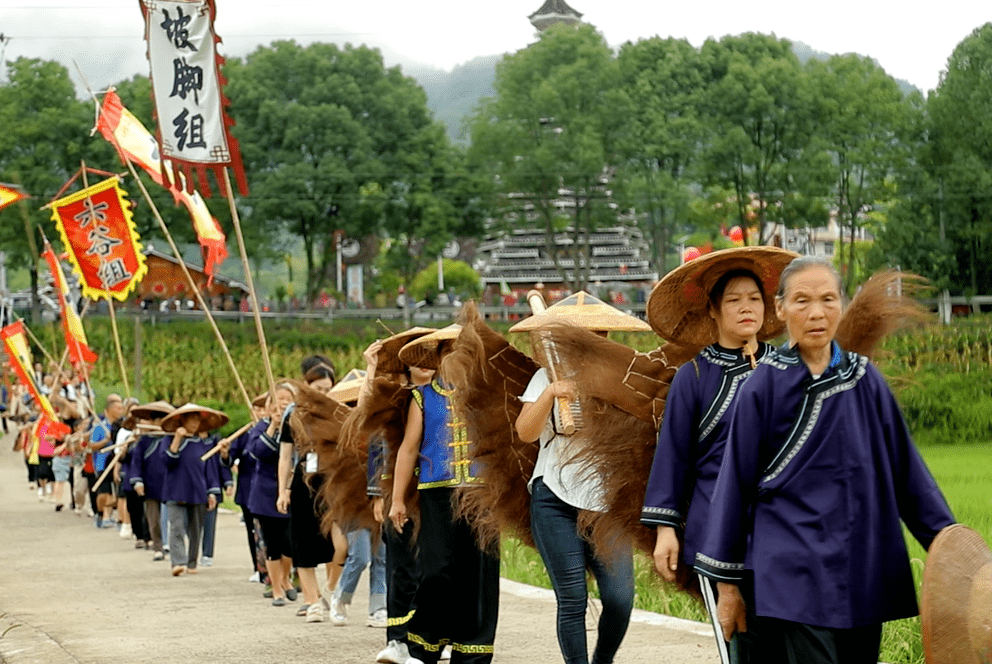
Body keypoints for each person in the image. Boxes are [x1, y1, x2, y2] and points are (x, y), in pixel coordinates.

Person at [695, 256, 956, 664]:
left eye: (828, 299)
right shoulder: (762, 386)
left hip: (862, 562)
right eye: (802, 301)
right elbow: (734, 486)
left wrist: (952, 552)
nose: (816, 313)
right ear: (781, 309)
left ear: (842, 305)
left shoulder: (865, 380)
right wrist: (727, 587)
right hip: (793, 566)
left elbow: (909, 476)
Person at [640, 247, 796, 662]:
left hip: (786, 532)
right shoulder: (694, 376)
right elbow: (673, 456)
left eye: (754, 298)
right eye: (734, 300)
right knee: (743, 651)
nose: (746, 307)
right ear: (713, 310)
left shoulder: (789, 368)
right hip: (720, 536)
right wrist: (665, 530)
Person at [512, 293, 646, 664]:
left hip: (608, 503)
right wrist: (552, 393)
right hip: (554, 495)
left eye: (600, 334)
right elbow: (525, 432)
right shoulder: (547, 376)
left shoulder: (623, 378)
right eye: (586, 334)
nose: (595, 340)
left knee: (620, 598)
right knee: (572, 598)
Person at [390, 325, 500, 664]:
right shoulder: (423, 397)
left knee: (478, 572)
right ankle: (423, 645)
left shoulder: (486, 393)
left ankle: (472, 652)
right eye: (447, 352)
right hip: (437, 494)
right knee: (436, 570)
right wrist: (396, 499)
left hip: (481, 495)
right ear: (437, 358)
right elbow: (408, 449)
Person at [276, 360, 343, 622]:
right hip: (303, 482)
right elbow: (285, 456)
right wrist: (282, 490)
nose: (323, 393)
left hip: (332, 482)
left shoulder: (338, 412)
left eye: (328, 389)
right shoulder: (293, 414)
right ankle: (312, 602)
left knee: (341, 544)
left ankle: (331, 588)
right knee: (302, 541)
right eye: (318, 388)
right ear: (306, 386)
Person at [248, 383, 299, 605]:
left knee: (289, 543)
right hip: (265, 494)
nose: (283, 402)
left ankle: (286, 578)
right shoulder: (260, 427)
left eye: (288, 398)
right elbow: (258, 452)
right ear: (269, 405)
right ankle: (276, 588)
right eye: (279, 398)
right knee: (272, 543)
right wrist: (273, 427)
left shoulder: (297, 427)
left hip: (291, 490)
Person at [161, 403, 226, 576]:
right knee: (176, 527)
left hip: (198, 490)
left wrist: (212, 492)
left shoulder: (202, 443)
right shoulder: (168, 439)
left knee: (195, 530)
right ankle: (178, 562)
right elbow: (167, 461)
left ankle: (191, 562)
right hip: (175, 490)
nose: (196, 423)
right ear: (183, 420)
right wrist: (177, 439)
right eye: (192, 419)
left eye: (198, 420)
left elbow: (210, 469)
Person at [128, 402, 174, 560]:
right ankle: (158, 547)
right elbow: (136, 463)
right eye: (157, 421)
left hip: (170, 484)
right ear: (152, 422)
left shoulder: (172, 439)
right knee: (153, 520)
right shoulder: (144, 441)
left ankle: (172, 546)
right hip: (151, 485)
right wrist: (138, 482)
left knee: (173, 518)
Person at [89, 394, 125, 528]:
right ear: (109, 410)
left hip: (117, 462)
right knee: (104, 493)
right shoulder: (100, 427)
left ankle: (107, 517)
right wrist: (105, 440)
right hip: (102, 463)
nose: (121, 411)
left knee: (115, 492)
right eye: (118, 408)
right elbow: (92, 446)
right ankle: (100, 513)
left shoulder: (122, 426)